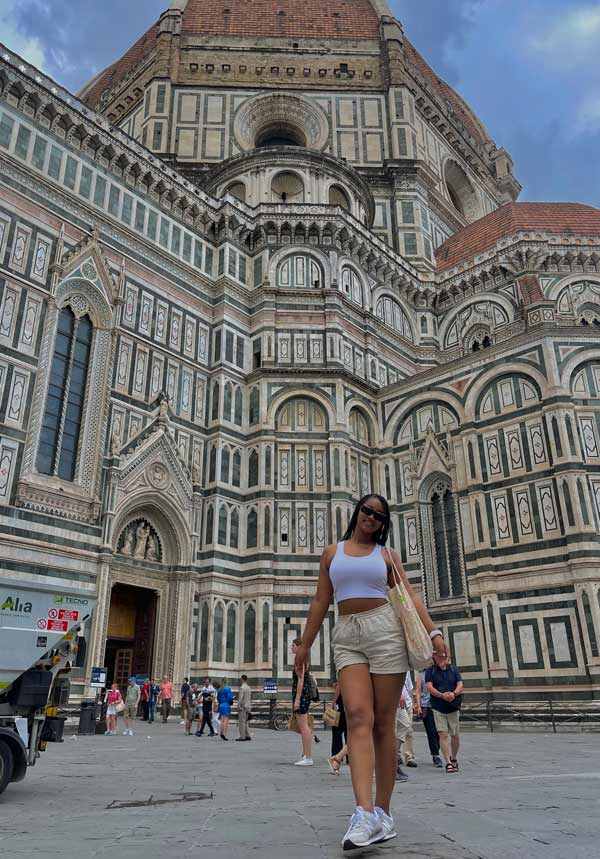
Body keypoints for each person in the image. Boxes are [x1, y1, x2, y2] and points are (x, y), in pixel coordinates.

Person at [294, 493, 447, 850]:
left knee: (383, 723)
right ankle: (363, 813)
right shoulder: (333, 552)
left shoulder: (388, 557)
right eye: (367, 511)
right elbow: (321, 599)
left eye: (379, 515)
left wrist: (434, 632)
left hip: (385, 632)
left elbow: (409, 597)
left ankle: (383, 813)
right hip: (347, 634)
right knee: (357, 716)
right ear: (357, 513)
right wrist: (304, 644)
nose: (371, 517)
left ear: (383, 523)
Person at [426, 652, 463, 773]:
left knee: (455, 736)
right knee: (443, 734)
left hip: (453, 707)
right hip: (438, 707)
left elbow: (460, 684)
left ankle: (454, 758)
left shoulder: (453, 669)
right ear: (434, 658)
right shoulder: (430, 671)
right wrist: (442, 695)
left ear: (448, 658)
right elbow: (429, 687)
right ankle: (448, 762)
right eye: (438, 657)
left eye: (444, 657)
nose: (441, 659)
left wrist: (454, 694)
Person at [291, 639, 314, 766]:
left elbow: (300, 681)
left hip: (301, 695)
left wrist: (297, 700)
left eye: (293, 645)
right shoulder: (305, 660)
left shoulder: (299, 660)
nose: (291, 648)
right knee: (305, 727)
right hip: (305, 694)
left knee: (304, 727)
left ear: (299, 647)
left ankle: (308, 757)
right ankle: (306, 754)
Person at [415, 664, 442, 768]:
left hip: (439, 705)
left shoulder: (438, 673)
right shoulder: (421, 675)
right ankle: (436, 755)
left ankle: (437, 749)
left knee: (440, 731)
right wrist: (419, 705)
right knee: (431, 731)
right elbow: (418, 691)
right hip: (427, 706)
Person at [394, 672, 415, 780]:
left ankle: (392, 762)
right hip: (392, 696)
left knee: (405, 724)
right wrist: (398, 693)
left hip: (403, 700)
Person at [330, 680, 347, 760]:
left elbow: (340, 685)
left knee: (337, 731)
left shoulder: (343, 670)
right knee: (348, 732)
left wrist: (334, 701)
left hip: (341, 703)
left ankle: (337, 754)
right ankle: (350, 757)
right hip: (350, 702)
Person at [236, 675, 252, 742]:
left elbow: (240, 698)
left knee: (242, 722)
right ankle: (247, 735)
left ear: (242, 679)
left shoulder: (242, 688)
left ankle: (242, 736)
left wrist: (238, 706)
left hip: (243, 707)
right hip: (248, 706)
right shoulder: (249, 687)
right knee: (246, 721)